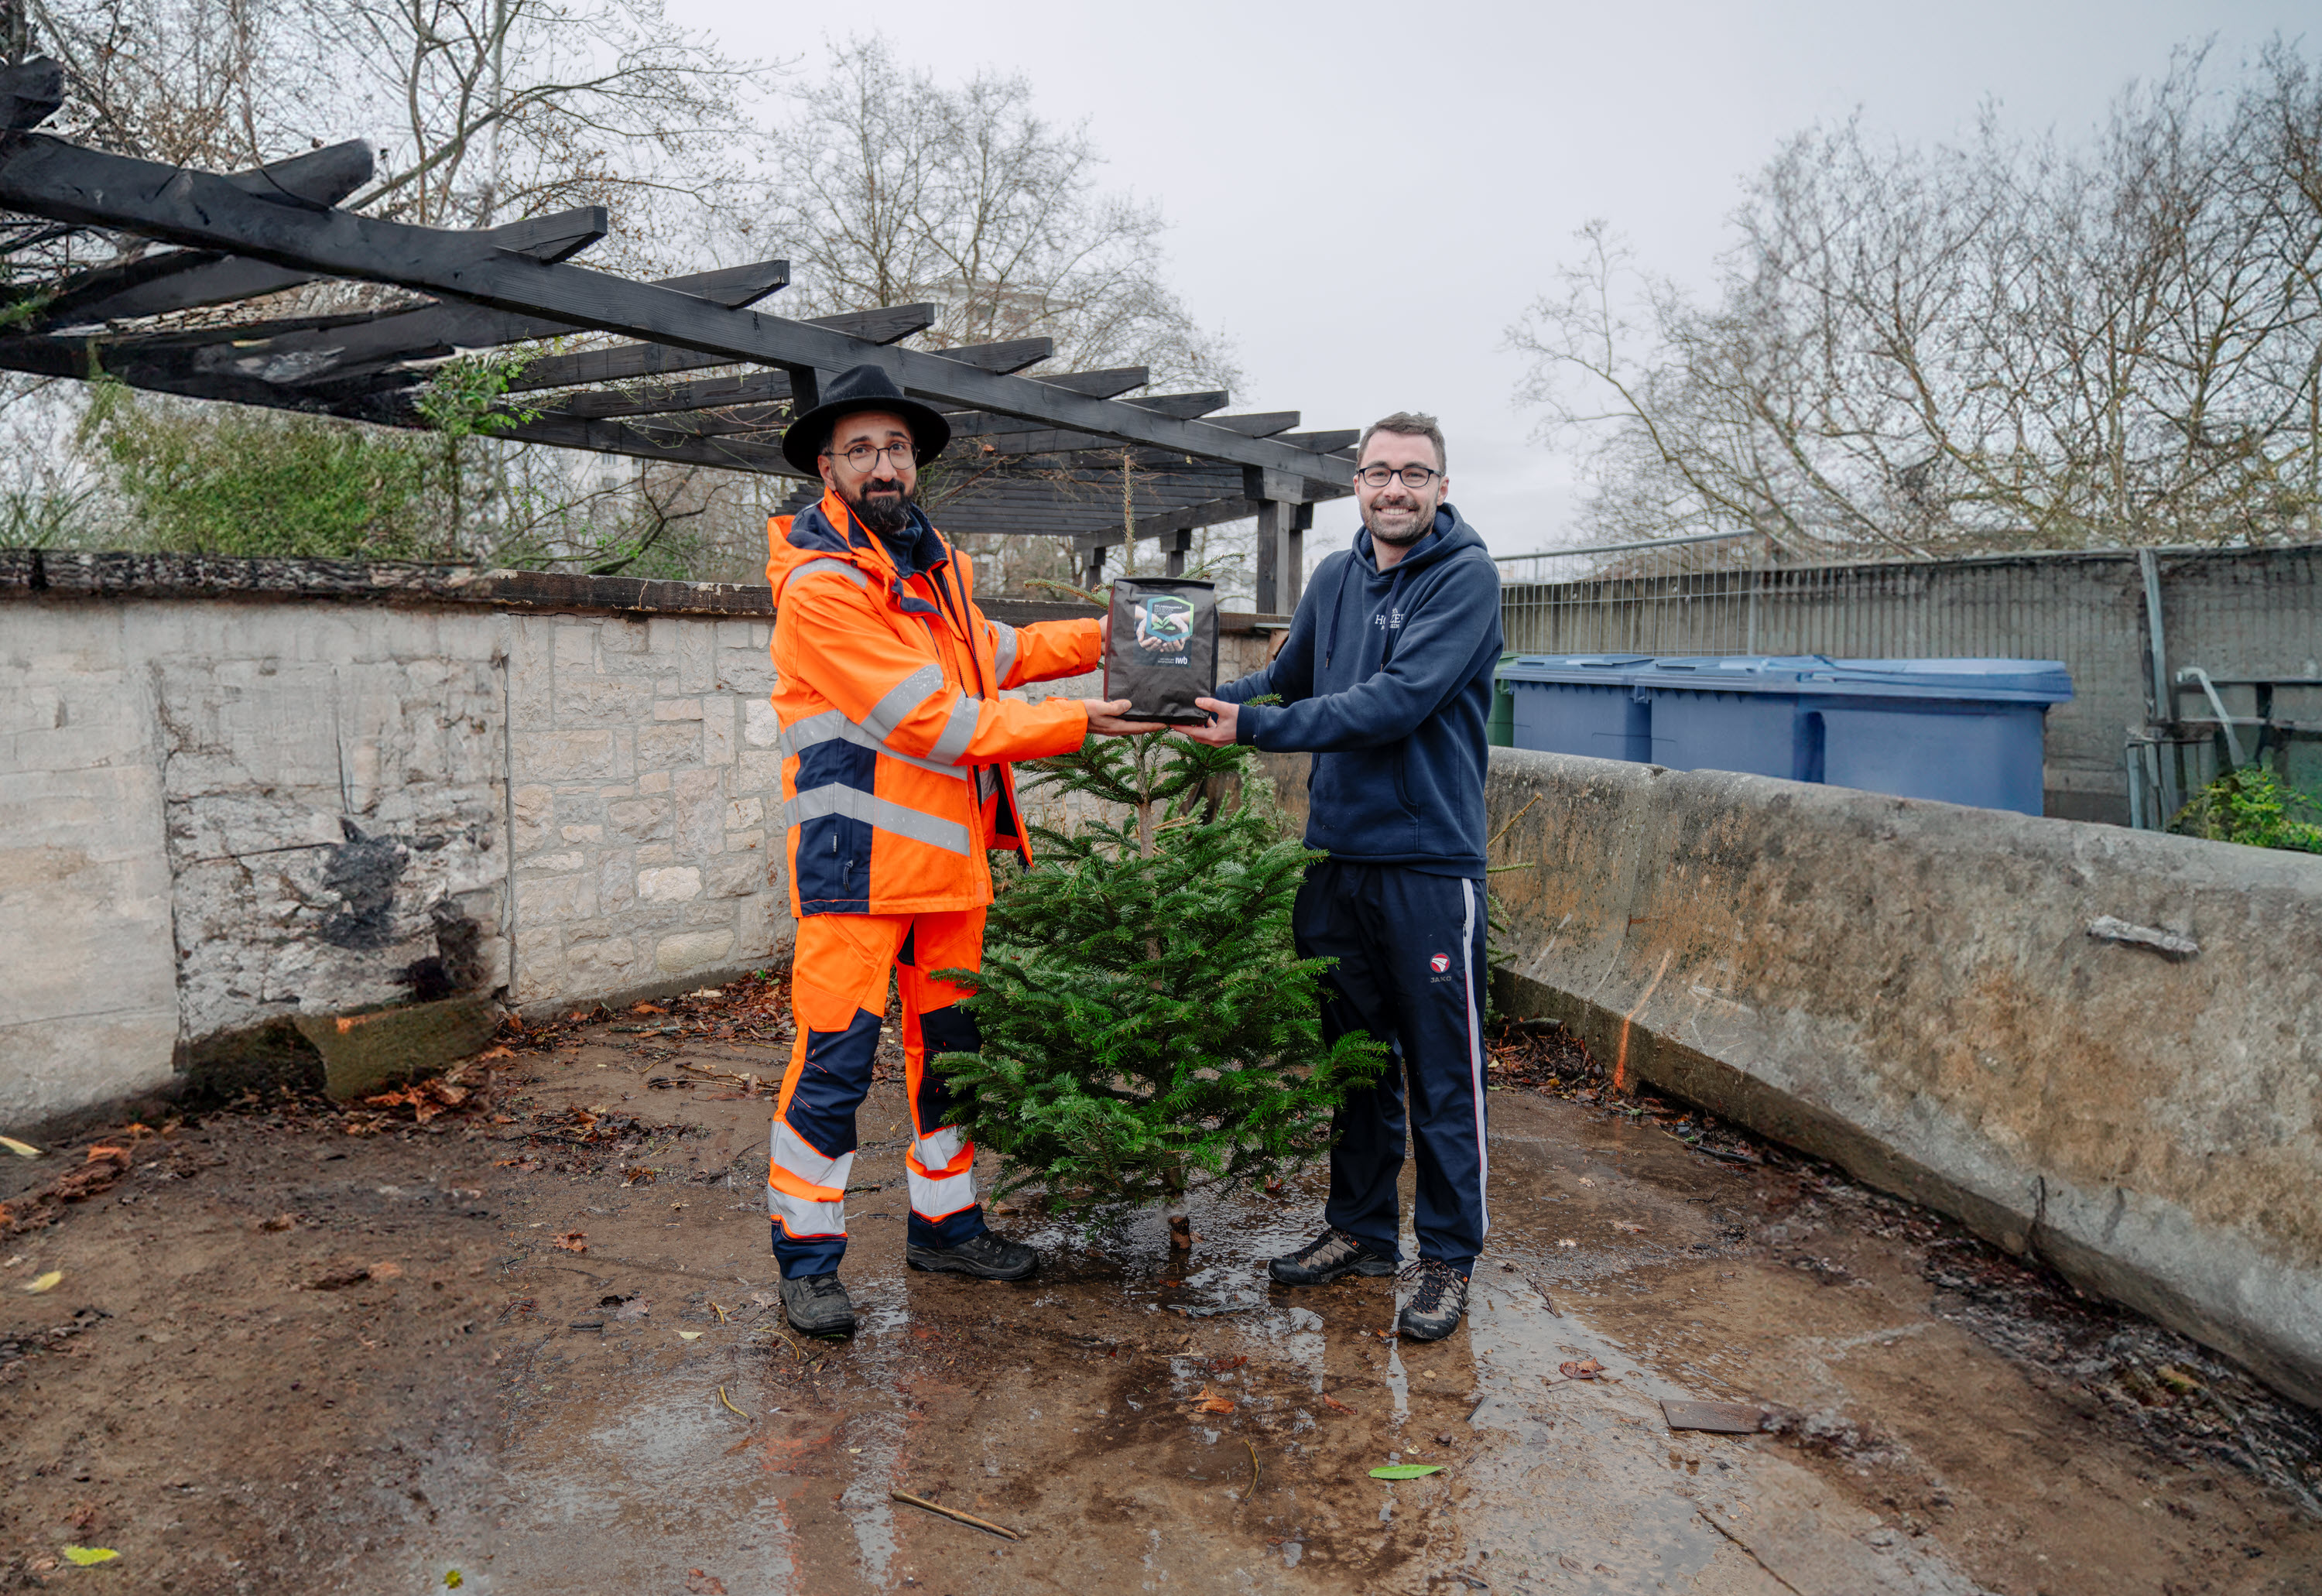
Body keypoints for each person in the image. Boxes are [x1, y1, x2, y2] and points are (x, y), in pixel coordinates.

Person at [761, 364, 1156, 1336]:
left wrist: (1116, 633)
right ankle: (807, 1260)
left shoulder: (931, 571)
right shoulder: (822, 588)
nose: (883, 464)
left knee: (954, 1060)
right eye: (861, 450)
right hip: (855, 870)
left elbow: (998, 655)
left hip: (947, 872)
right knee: (836, 1064)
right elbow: (928, 716)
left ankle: (946, 1225)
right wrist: (1080, 720)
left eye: (896, 447)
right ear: (828, 469)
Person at [1185, 411, 1502, 1341]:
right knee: (1355, 1063)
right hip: (1336, 863)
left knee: (1444, 1075)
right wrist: (1195, 703)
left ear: (1442, 487)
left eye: (1415, 473)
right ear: (1355, 484)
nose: (1394, 488)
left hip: (1428, 867)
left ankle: (1447, 1257)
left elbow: (1394, 703)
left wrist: (1254, 732)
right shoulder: (1335, 576)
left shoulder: (1466, 579)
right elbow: (1288, 678)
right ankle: (1361, 1232)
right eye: (1377, 473)